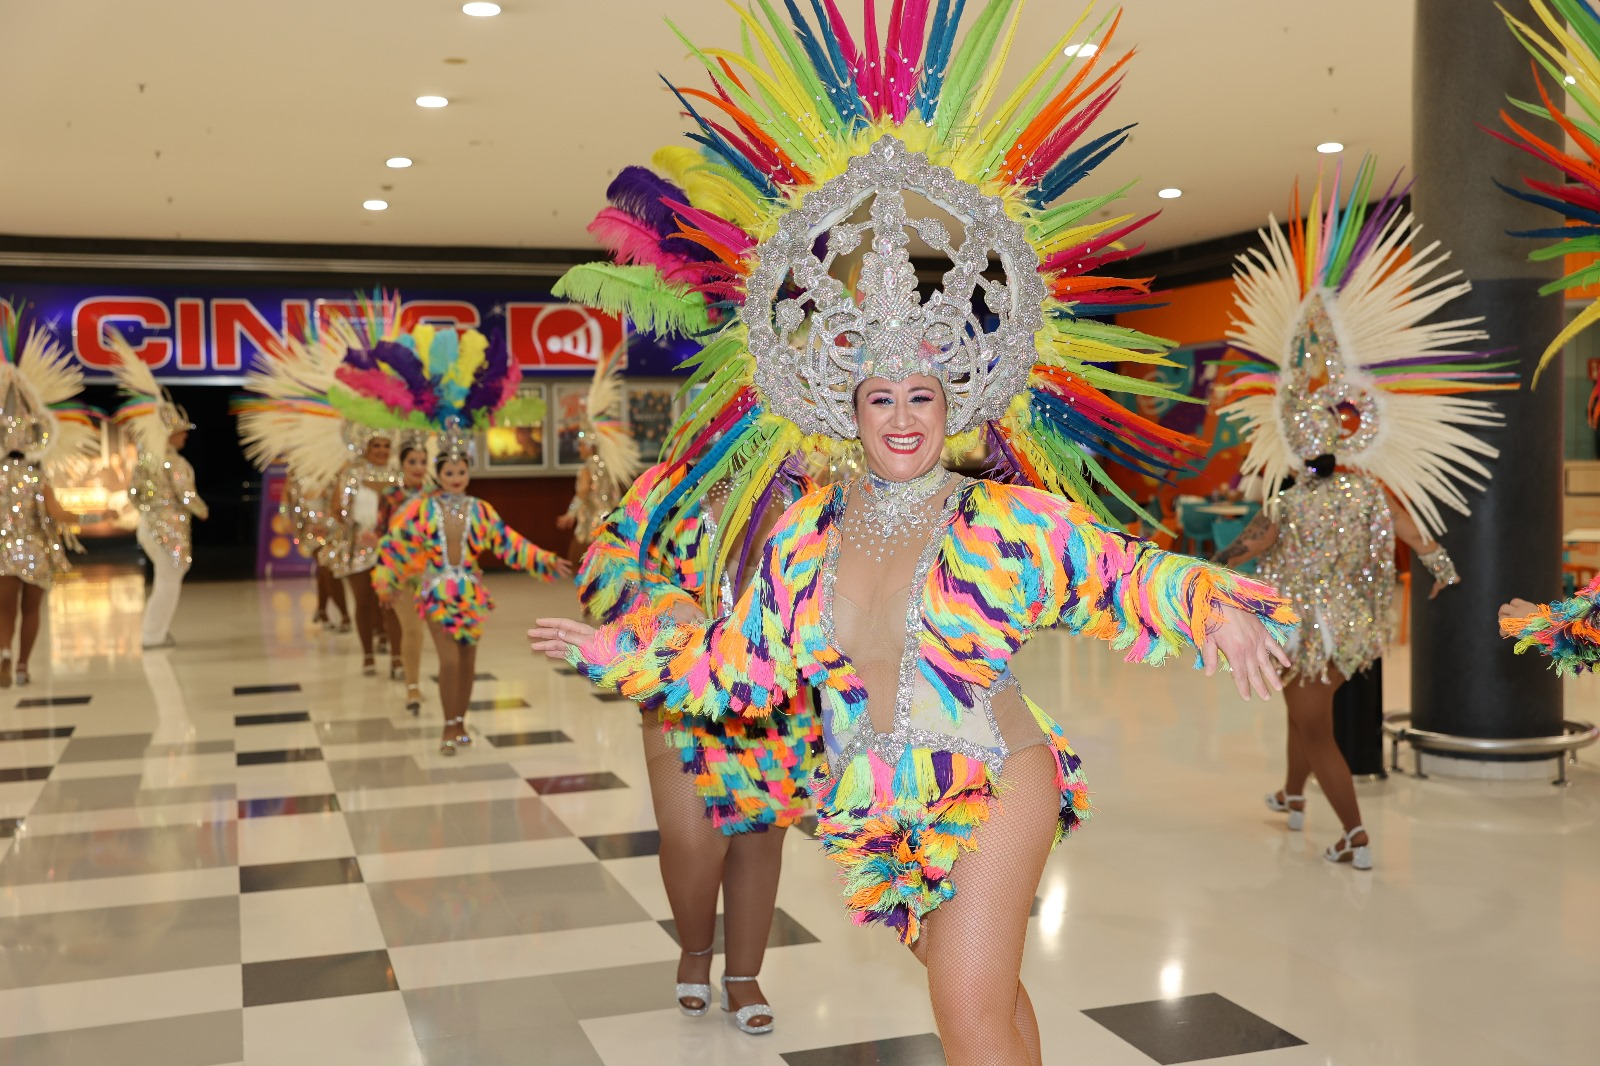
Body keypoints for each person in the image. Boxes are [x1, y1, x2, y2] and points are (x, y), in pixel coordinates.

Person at [534, 9, 1296, 1059]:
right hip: (879, 803)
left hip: (994, 775)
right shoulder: (802, 534)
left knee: (964, 1008)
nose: (901, 416)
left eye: (922, 396)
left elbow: (1121, 570)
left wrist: (1218, 606)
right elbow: (739, 664)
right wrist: (618, 651)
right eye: (881, 396)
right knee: (986, 995)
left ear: (955, 406)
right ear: (847, 411)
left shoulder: (1000, 518)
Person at [1212, 157, 1510, 871]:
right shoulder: (1362, 492)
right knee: (1302, 709)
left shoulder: (1299, 498)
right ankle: (1292, 797)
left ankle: (1354, 835)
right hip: (1340, 624)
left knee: (1315, 726)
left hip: (1319, 627)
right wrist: (1441, 568)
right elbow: (1415, 535)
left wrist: (1217, 564)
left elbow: (1254, 543)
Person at [577, 455, 817, 1033]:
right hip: (682, 691)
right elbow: (602, 560)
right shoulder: (668, 484)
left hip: (776, 696)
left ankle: (743, 975)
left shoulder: (802, 492)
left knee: (759, 839)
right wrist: (667, 603)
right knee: (690, 840)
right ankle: (695, 947)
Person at [378, 444, 570, 751]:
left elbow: (509, 542)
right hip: (437, 594)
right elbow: (395, 544)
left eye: (461, 471)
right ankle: (447, 727)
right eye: (449, 472)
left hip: (470, 595)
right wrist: (386, 581)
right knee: (450, 661)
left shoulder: (480, 510)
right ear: (439, 475)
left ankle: (460, 723)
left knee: (467, 663)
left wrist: (544, 559)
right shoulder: (423, 510)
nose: (456, 477)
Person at [0, 304, 103, 683]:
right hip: (35, 551)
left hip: (2, 552)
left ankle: (4, 654)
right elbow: (57, 514)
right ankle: (23, 667)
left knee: (4, 611)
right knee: (32, 610)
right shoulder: (35, 475)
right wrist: (96, 516)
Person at [110, 337, 208, 650]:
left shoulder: (147, 462)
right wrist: (202, 510)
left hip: (149, 527)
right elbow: (186, 495)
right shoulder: (175, 463)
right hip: (168, 529)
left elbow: (134, 494)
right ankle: (152, 635)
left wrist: (151, 510)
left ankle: (156, 633)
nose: (184, 437)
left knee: (167, 580)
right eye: (180, 432)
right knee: (168, 582)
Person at [557, 348, 641, 563]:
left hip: (594, 527)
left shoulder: (587, 468)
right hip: (612, 522)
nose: (579, 449)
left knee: (587, 567)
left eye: (581, 445)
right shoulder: (608, 465)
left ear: (589, 446)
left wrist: (570, 513)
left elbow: (583, 492)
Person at [331, 429, 398, 675]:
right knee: (364, 602)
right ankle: (368, 656)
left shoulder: (398, 475)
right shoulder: (353, 475)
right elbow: (341, 511)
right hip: (360, 547)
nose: (382, 450)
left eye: (386, 445)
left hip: (392, 549)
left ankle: (397, 658)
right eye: (376, 445)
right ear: (366, 449)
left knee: (392, 603)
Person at [378, 437, 433, 711]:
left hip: (433, 574)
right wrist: (384, 578)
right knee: (411, 629)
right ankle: (412, 687)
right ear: (401, 465)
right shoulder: (391, 497)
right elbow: (381, 535)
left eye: (423, 462)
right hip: (400, 573)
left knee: (430, 633)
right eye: (412, 462)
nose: (418, 467)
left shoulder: (436, 496)